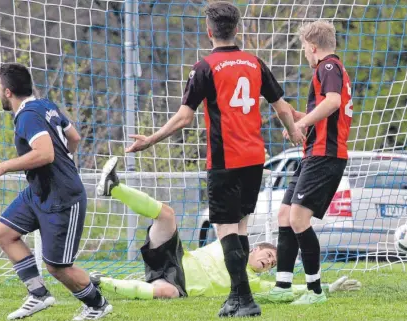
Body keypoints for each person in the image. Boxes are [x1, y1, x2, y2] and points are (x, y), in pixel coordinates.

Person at [124, 1, 306, 317]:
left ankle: (243, 298)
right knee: (242, 227)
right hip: (254, 158)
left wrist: (151, 139)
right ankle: (239, 297)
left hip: (225, 161)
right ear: (237, 29)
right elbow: (281, 107)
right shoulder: (255, 63)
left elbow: (183, 118)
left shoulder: (204, 67)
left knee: (225, 230)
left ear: (209, 32)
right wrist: (293, 133)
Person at [94, 157, 361, 301]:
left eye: (271, 265)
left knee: (167, 293)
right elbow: (237, 217)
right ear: (255, 249)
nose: (268, 263)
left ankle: (99, 282)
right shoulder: (236, 246)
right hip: (176, 259)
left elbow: (291, 289)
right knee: (167, 215)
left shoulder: (252, 284)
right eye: (268, 257)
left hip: (177, 282)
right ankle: (114, 187)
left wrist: (324, 287)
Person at [0, 63, 112, 320]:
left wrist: (3, 167)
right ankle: (38, 294)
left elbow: (46, 154)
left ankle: (98, 305)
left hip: (63, 197)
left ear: (7, 92)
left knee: (58, 267)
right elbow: (74, 138)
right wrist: (65, 160)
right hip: (39, 191)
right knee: (4, 232)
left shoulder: (27, 116)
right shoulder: (45, 105)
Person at [270, 20, 354, 305]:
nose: (304, 54)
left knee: (298, 218)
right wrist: (293, 115)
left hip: (325, 155)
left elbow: (333, 102)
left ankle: (315, 291)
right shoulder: (328, 69)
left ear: (312, 46)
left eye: (304, 48)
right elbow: (323, 107)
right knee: (284, 215)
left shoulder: (328, 66)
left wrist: (302, 124)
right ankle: (282, 286)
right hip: (313, 155)